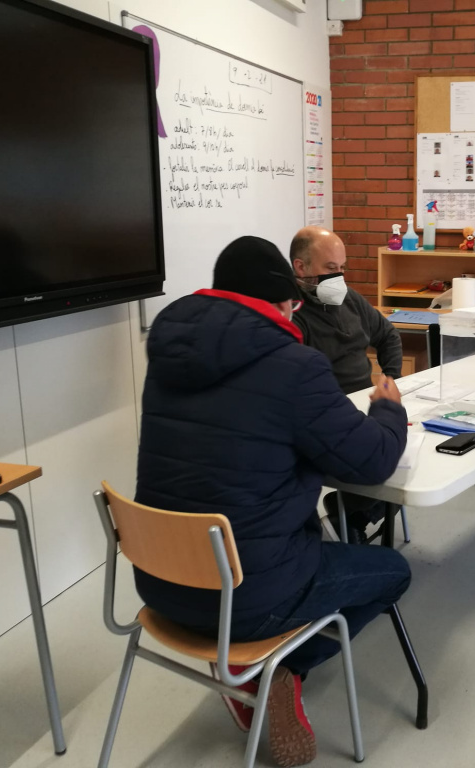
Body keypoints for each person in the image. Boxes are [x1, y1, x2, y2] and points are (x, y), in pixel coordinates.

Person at [135, 236, 411, 767]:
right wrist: (388, 409)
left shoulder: (167, 355)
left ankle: (255, 669)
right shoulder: (293, 364)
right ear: (282, 301)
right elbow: (372, 462)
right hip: (250, 593)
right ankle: (282, 667)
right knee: (394, 570)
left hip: (161, 580)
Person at [290, 226, 403, 543]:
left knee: (405, 454)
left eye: (342, 268)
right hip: (330, 415)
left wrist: (389, 379)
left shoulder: (350, 300)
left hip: (366, 406)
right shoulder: (293, 316)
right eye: (330, 269)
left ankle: (352, 513)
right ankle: (350, 514)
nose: (338, 277)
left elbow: (388, 336)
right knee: (386, 458)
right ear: (301, 268)